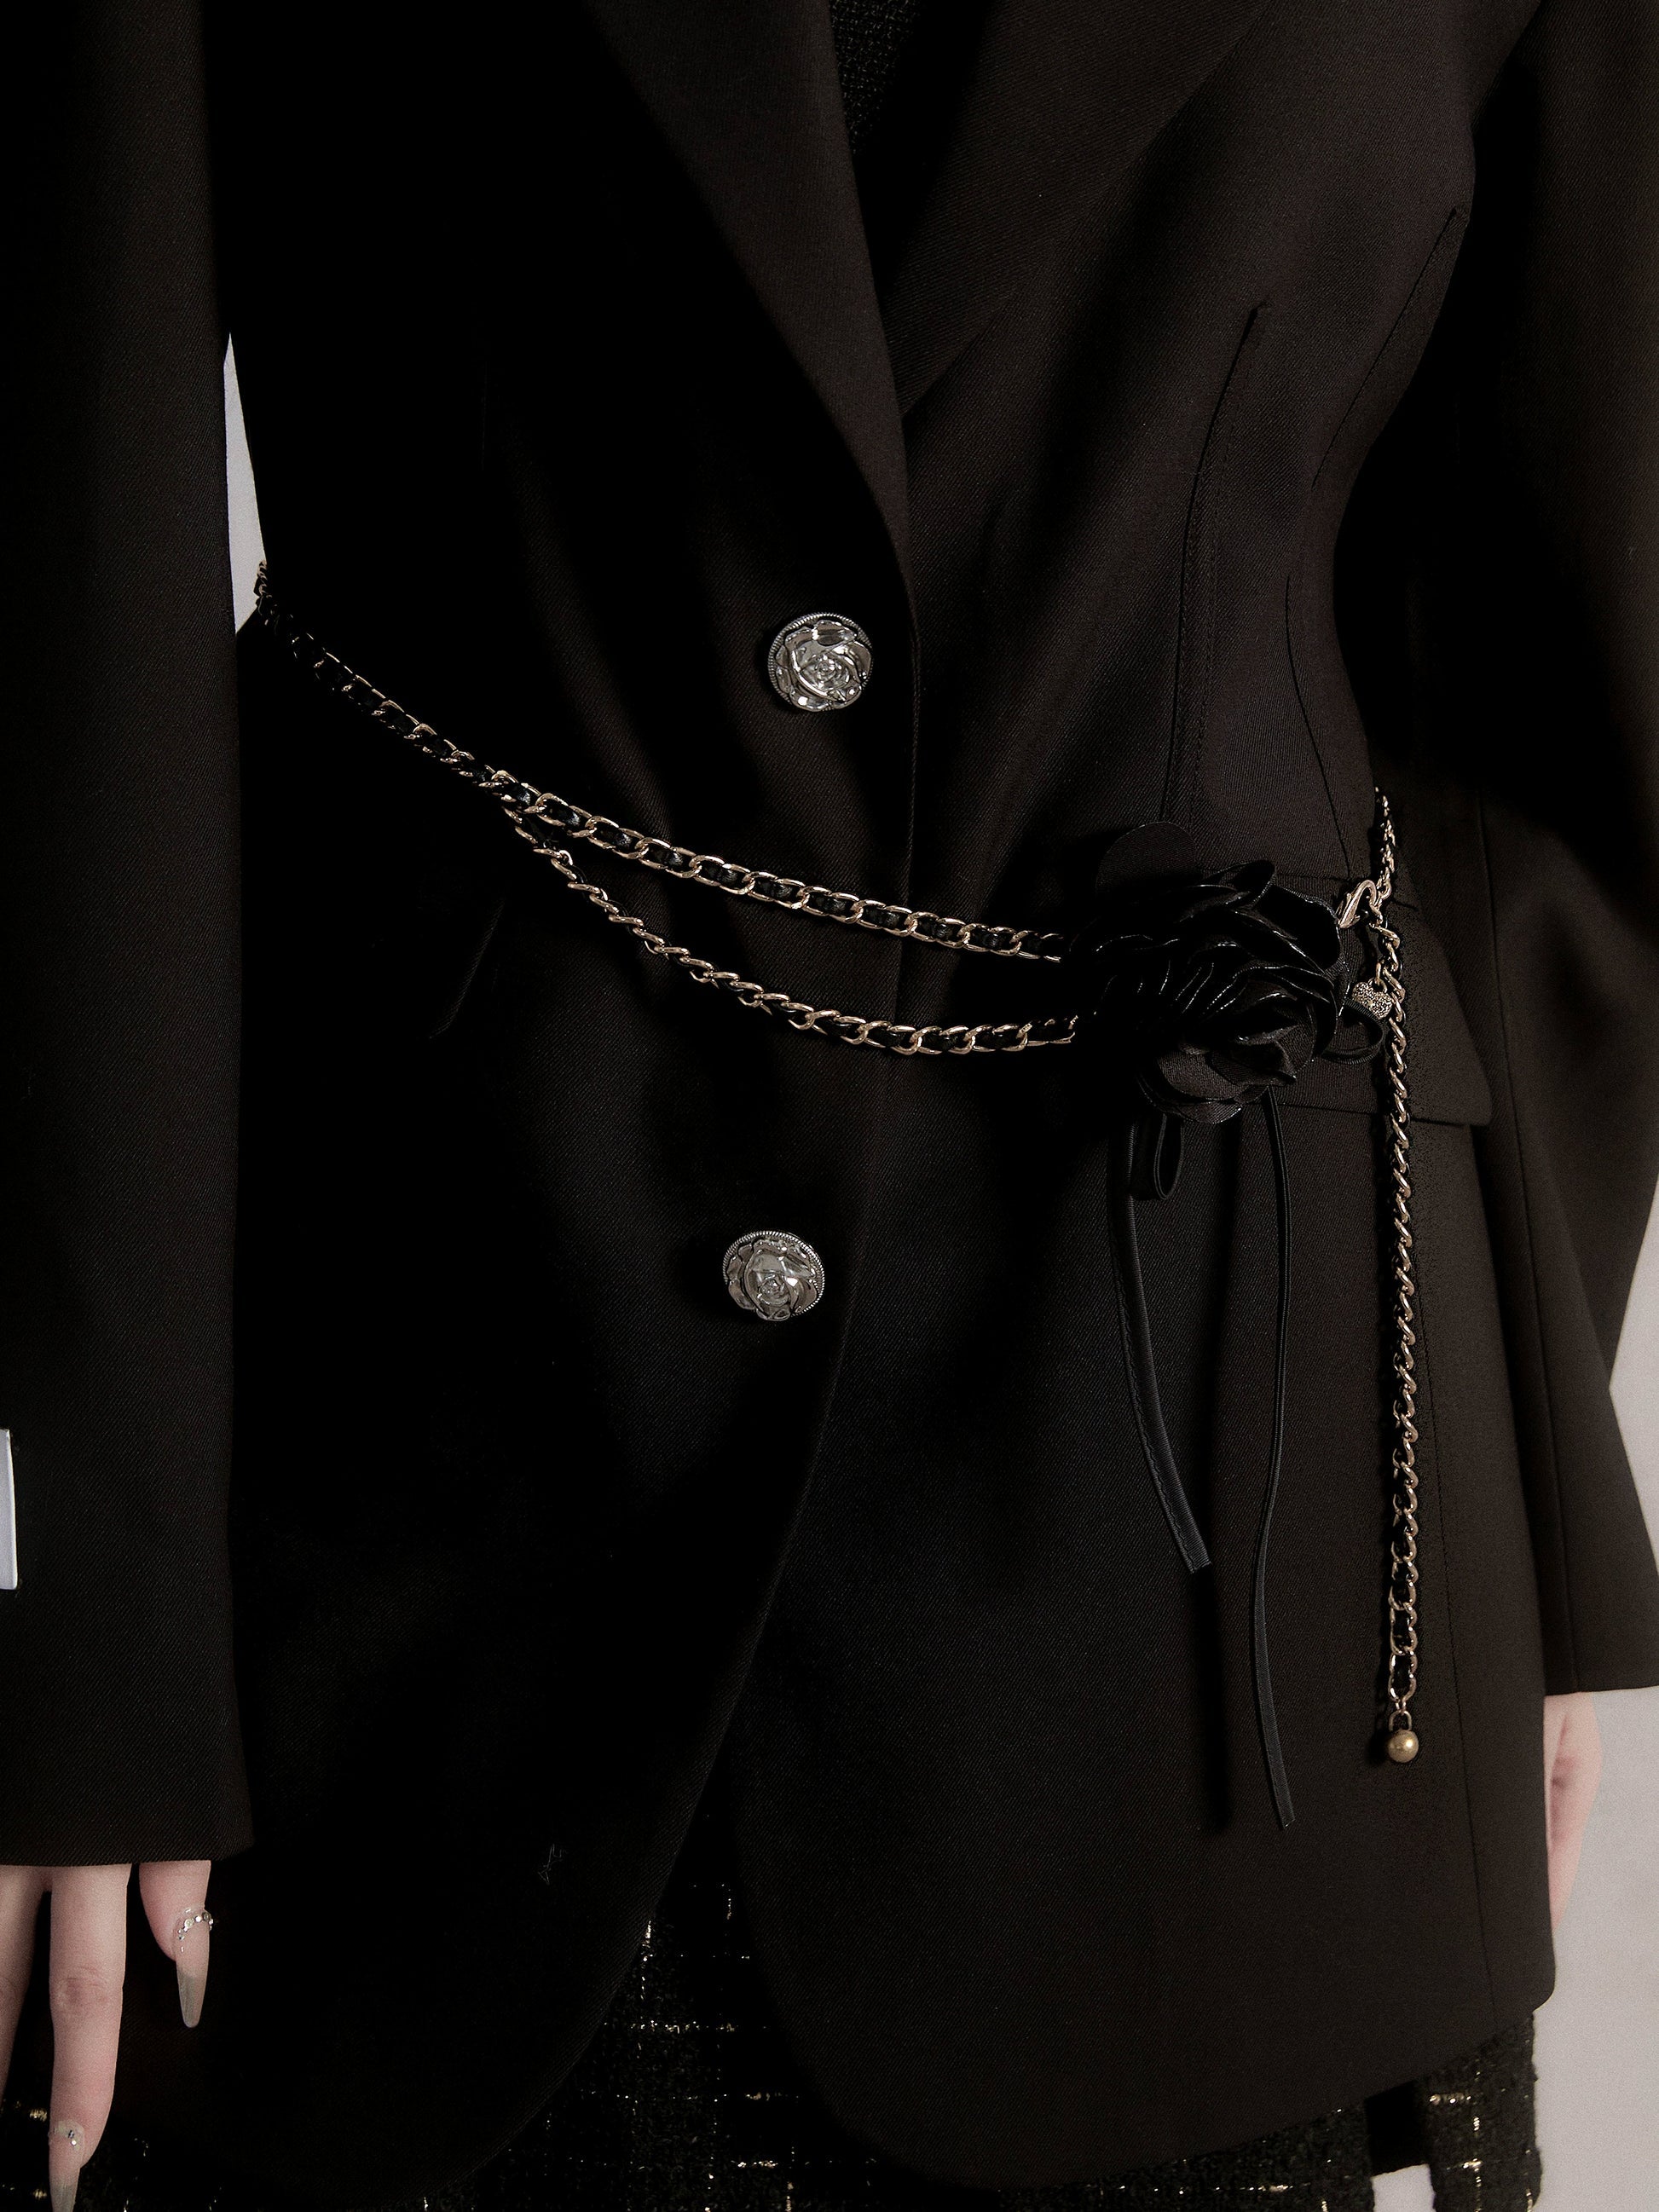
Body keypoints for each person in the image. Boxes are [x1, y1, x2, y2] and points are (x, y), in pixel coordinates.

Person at [3, 0, 1658, 2207]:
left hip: (1225, 1591)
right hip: (383, 1556)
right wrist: (87, 1599)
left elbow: (1557, 701)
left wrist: (1531, 1493)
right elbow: (75, 622)